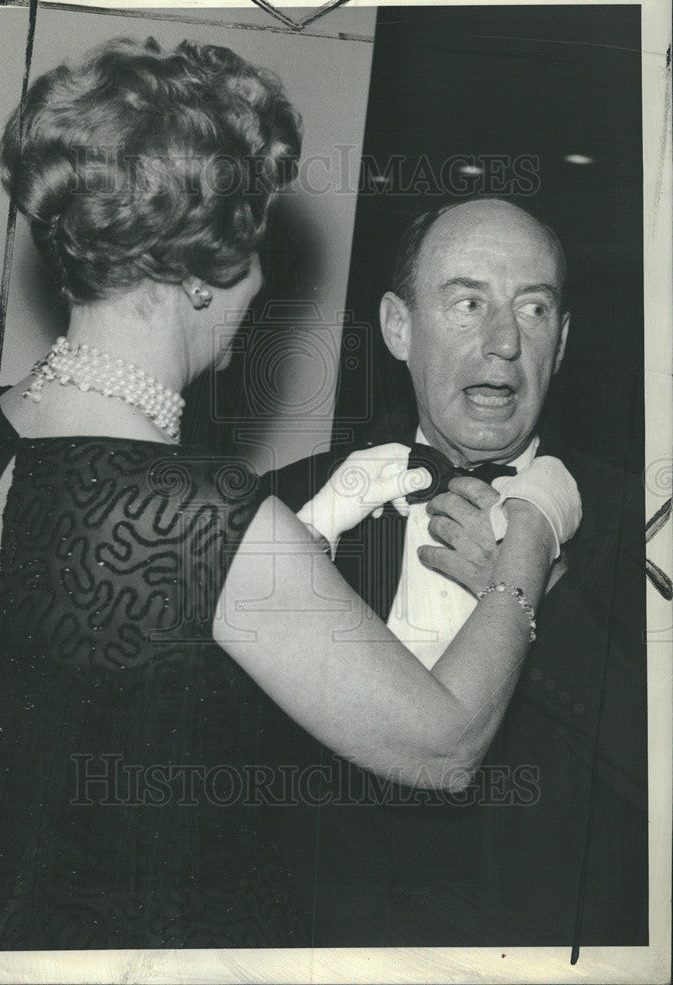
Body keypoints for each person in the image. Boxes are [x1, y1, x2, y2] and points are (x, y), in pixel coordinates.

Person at [0, 40, 579, 951]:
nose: (264, 281)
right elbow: (444, 749)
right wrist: (533, 538)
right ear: (204, 268)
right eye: (257, 245)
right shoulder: (210, 520)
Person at [268, 197, 648, 947]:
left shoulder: (639, 521)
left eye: (534, 310)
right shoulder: (289, 505)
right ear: (398, 327)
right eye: (469, 303)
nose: (504, 342)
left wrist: (550, 593)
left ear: (562, 342)